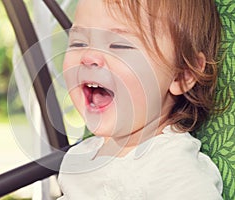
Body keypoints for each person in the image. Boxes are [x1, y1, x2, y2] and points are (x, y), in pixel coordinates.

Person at [57, 0, 223, 199]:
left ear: (182, 74)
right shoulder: (81, 155)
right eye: (79, 43)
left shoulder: (172, 168)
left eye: (119, 45)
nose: (88, 56)